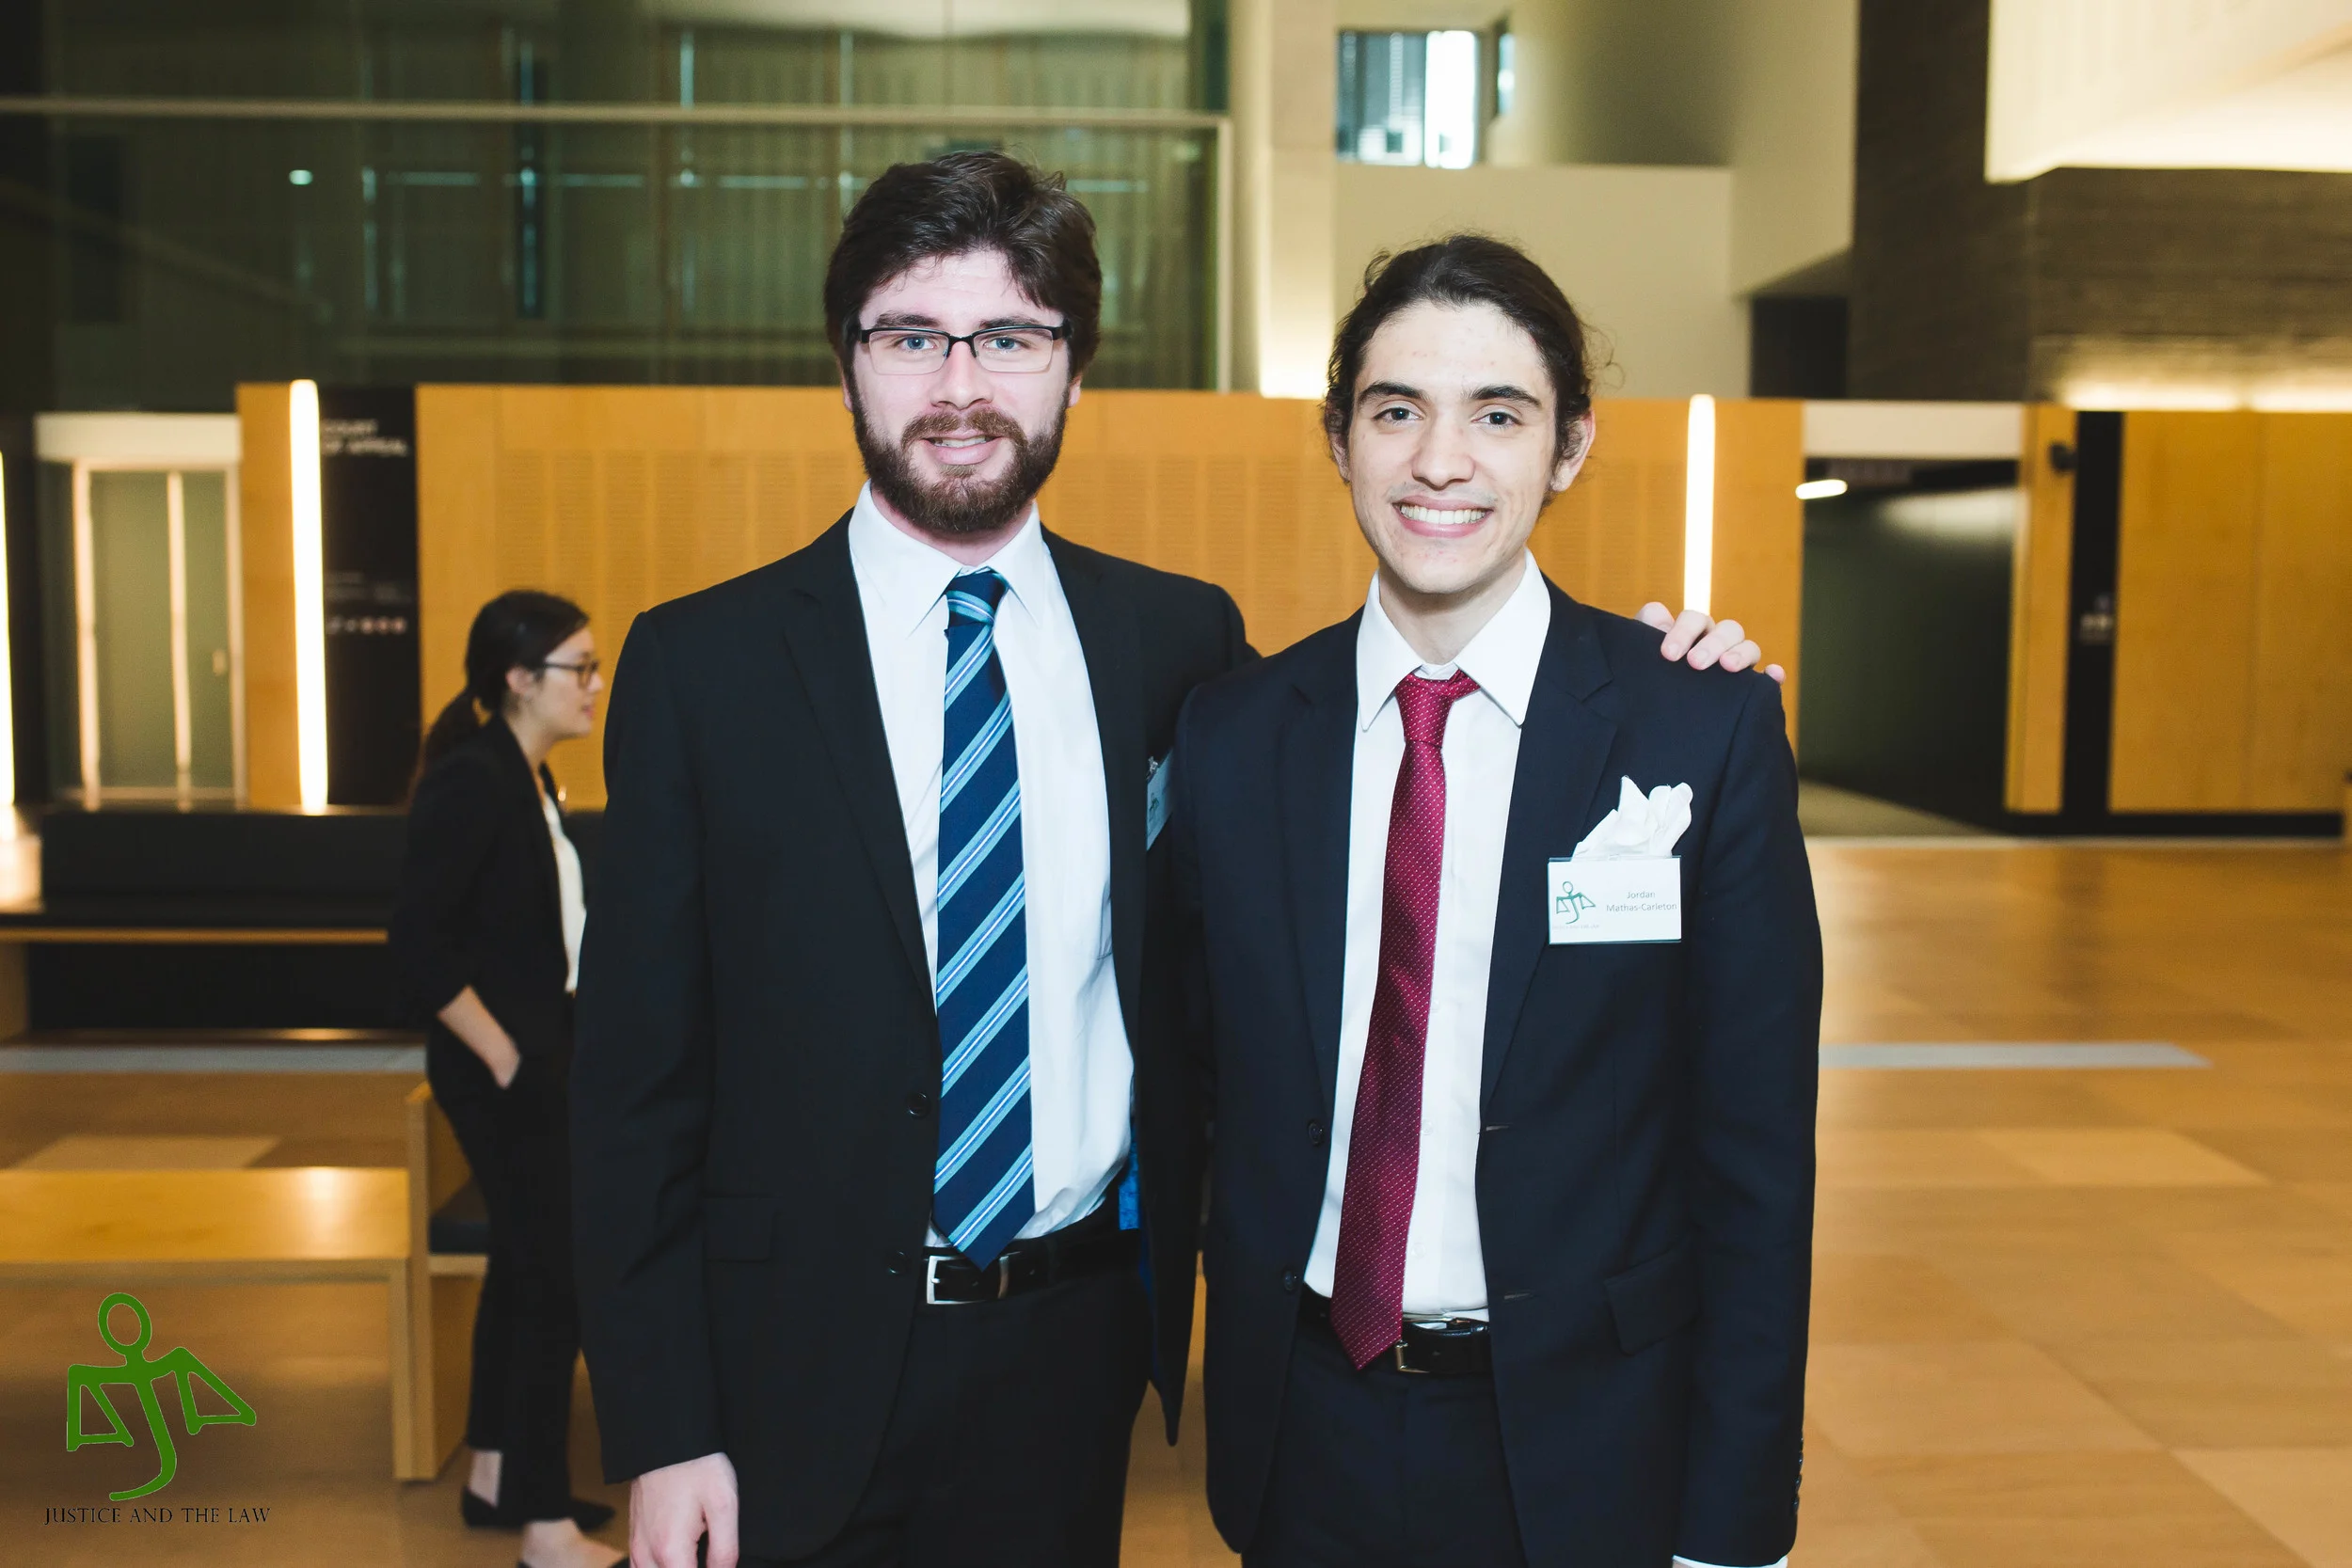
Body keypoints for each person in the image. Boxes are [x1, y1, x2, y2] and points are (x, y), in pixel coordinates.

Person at [572, 152, 1772, 1568]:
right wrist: (661, 1422)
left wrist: (1683, 680)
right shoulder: (701, 667)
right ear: (847, 361)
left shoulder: (1180, 656)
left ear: (1073, 370)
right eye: (910, 336)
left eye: (1009, 338)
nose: (960, 385)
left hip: (1071, 1362)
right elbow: (630, 1088)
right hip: (787, 1368)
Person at [1168, 236, 1820, 1568]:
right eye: (1395, 410)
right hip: (1303, 1429)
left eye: (1498, 415)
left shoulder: (1696, 728)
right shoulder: (1235, 735)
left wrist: (1735, 1522)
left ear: (1569, 446)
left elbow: (1756, 1160)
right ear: (1339, 438)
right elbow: (1197, 1078)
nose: (1440, 460)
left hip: (1591, 1440)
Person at [389, 590, 620, 1568]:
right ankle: (545, 1526)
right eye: (581, 667)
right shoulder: (475, 781)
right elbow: (417, 945)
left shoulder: (527, 776)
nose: (596, 685)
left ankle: (493, 1473)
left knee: (521, 1272)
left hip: (539, 1058)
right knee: (551, 1286)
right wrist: (508, 1057)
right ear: (520, 679)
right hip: (507, 1072)